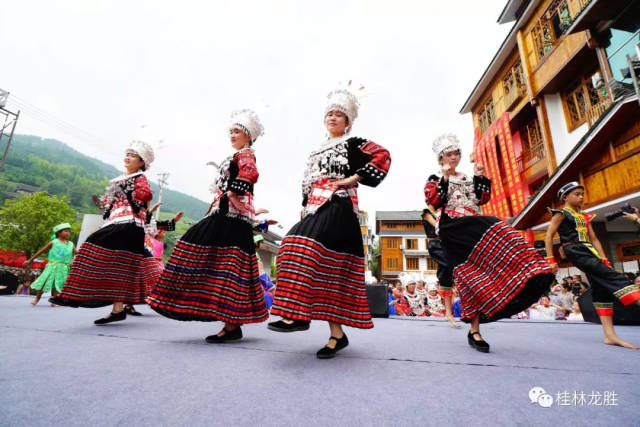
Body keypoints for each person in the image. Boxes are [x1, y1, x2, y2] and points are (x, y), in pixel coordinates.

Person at [268, 86, 391, 359]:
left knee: (299, 248)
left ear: (348, 122)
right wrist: (305, 208)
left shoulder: (353, 143)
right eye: (330, 114)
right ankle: (336, 334)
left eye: (339, 115)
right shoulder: (316, 151)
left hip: (339, 206)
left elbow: (382, 155)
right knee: (302, 254)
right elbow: (307, 184)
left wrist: (353, 178)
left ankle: (296, 315)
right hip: (315, 208)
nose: (333, 118)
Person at [147, 110, 269, 342]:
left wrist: (231, 193)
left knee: (227, 265)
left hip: (233, 217)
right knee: (221, 263)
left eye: (237, 131)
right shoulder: (235, 155)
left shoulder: (245, 155)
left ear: (248, 135)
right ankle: (230, 322)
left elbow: (249, 175)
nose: (232, 135)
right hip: (225, 213)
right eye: (231, 131)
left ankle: (232, 325)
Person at [425, 134, 554, 353]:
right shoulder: (435, 178)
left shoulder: (466, 176)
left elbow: (482, 199)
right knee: (466, 274)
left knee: (491, 244)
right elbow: (433, 200)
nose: (454, 157)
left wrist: (480, 176)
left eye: (456, 153)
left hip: (471, 224)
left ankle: (529, 269)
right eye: (449, 154)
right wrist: (445, 179)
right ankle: (473, 329)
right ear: (441, 158)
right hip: (452, 228)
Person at [50, 141, 154, 324]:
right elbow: (107, 204)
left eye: (133, 155)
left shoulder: (139, 179)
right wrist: (104, 205)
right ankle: (117, 309)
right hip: (117, 222)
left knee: (90, 249)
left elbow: (146, 195)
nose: (127, 157)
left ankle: (73, 295)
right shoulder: (119, 179)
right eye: (127, 154)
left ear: (141, 162)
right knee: (118, 267)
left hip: (130, 225)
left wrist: (131, 193)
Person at [545, 181, 640, 349]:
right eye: (577, 194)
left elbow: (594, 239)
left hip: (588, 250)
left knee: (601, 288)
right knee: (616, 278)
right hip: (575, 250)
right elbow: (549, 235)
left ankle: (610, 336)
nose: (581, 197)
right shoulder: (560, 213)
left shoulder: (585, 215)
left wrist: (604, 259)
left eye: (582, 194)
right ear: (565, 197)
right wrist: (551, 259)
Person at [421, 207, 461, 327]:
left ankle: (449, 313)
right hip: (436, 245)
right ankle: (449, 312)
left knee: (446, 277)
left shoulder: (446, 213)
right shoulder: (427, 213)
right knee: (450, 267)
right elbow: (439, 227)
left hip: (447, 244)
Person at [23, 223, 76, 306]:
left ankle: (55, 301)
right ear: (59, 233)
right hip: (52, 266)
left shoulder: (71, 244)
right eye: (66, 231)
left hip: (64, 268)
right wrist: (30, 260)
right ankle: (37, 298)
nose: (68, 233)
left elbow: (78, 253)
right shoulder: (53, 242)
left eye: (69, 231)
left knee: (59, 284)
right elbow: (41, 251)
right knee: (43, 282)